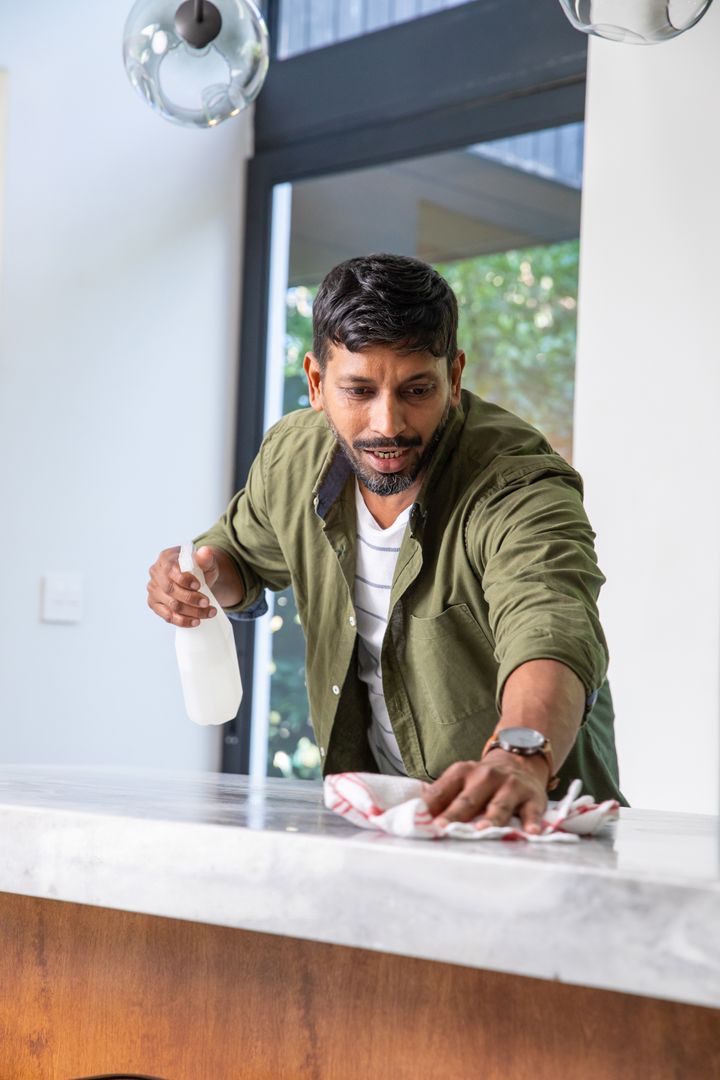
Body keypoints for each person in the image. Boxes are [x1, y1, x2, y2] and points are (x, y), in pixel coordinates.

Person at [147, 253, 625, 832]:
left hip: (532, 825)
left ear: (454, 376)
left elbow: (549, 622)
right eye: (359, 389)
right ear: (317, 383)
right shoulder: (293, 458)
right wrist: (201, 578)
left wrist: (519, 756)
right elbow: (238, 555)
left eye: (417, 389)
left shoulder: (515, 482)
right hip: (384, 822)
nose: (388, 424)